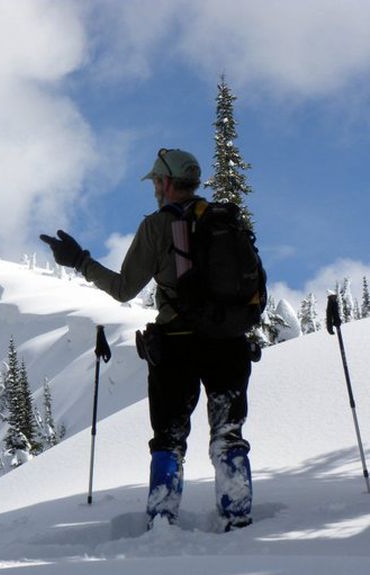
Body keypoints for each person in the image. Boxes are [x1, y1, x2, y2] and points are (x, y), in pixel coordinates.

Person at [40, 148, 253, 531]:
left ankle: (162, 520)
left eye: (157, 181)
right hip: (228, 342)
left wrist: (79, 261)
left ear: (168, 183)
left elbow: (124, 289)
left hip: (177, 344)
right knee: (228, 431)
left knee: (169, 438)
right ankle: (237, 515)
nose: (155, 188)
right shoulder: (225, 222)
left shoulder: (157, 227)